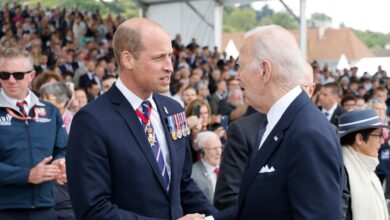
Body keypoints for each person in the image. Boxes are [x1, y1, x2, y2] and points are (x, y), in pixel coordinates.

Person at [66, 18, 217, 220]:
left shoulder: (173, 109)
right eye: (158, 58)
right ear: (127, 59)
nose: (169, 67)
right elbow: (93, 209)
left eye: (170, 56)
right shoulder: (91, 121)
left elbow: (182, 184)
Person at [213, 25, 343, 220]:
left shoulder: (308, 133)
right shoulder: (278, 121)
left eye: (241, 66)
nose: (237, 76)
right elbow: (259, 206)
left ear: (265, 70)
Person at [214, 61, 315, 210]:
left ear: (311, 90)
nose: (292, 96)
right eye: (289, 88)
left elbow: (338, 195)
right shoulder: (243, 131)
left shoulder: (325, 131)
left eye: (299, 89)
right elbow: (227, 198)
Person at [0, 47, 68, 219]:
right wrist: (27, 175)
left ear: (31, 76)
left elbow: (63, 147)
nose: (11, 80)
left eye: (18, 75)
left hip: (45, 206)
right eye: (4, 75)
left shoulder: (51, 111)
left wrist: (61, 161)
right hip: (6, 209)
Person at [339, 109, 389, 220]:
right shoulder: (342, 173)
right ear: (360, 139)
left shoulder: (367, 168)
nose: (382, 141)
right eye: (379, 135)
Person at [191, 131, 223, 204]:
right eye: (214, 148)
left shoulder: (228, 168)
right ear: (202, 152)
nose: (219, 152)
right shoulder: (193, 175)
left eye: (220, 147)